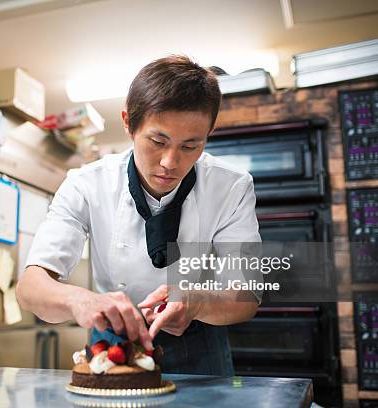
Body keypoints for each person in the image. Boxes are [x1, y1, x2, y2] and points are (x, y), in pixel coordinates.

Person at [16, 55, 261, 375]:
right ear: (128, 123)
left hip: (199, 344)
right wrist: (81, 301)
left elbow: (247, 296)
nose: (170, 162)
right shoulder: (86, 184)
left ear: (209, 132)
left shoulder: (231, 186)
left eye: (191, 145)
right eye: (158, 141)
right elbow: (31, 288)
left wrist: (197, 303)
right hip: (113, 343)